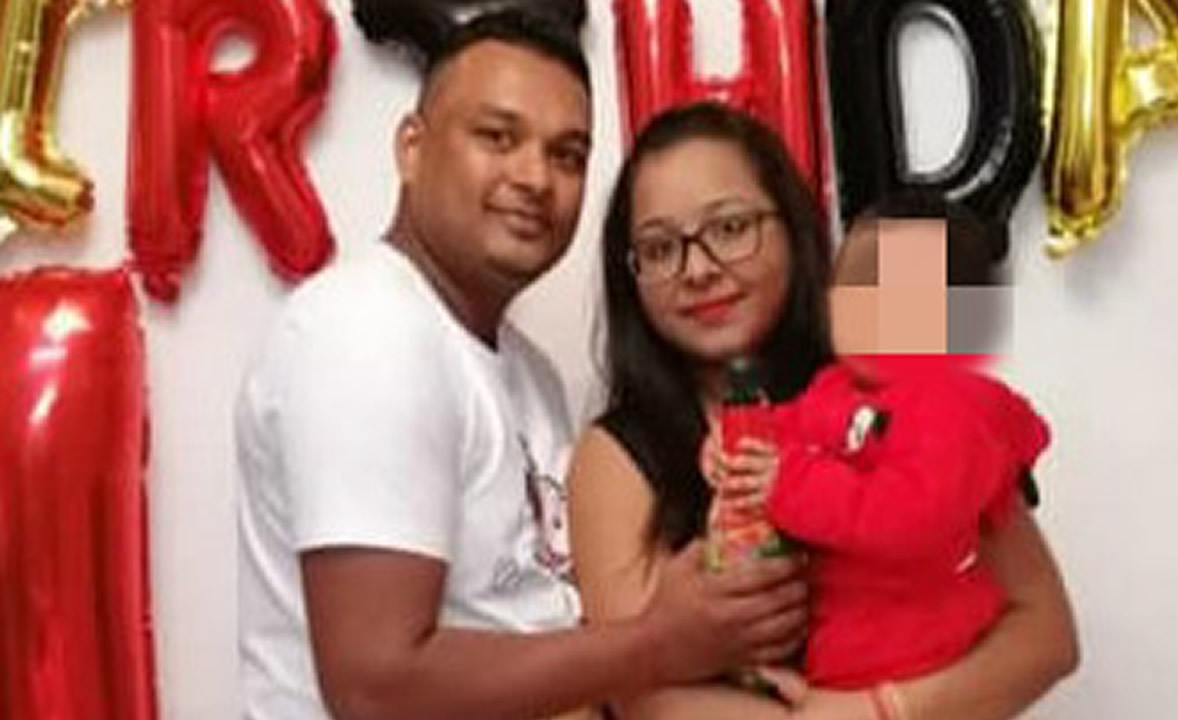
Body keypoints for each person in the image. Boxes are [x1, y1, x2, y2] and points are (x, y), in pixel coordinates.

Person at [236, 15, 808, 720]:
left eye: (567, 154)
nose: (535, 177)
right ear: (412, 148)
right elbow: (376, 685)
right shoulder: (363, 330)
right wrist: (659, 642)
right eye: (497, 137)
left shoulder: (526, 373)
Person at [568, 101, 1079, 719]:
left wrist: (879, 710)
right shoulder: (617, 455)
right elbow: (642, 695)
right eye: (658, 248)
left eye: (730, 228)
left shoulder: (893, 389)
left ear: (793, 226)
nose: (697, 269)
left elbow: (1046, 637)